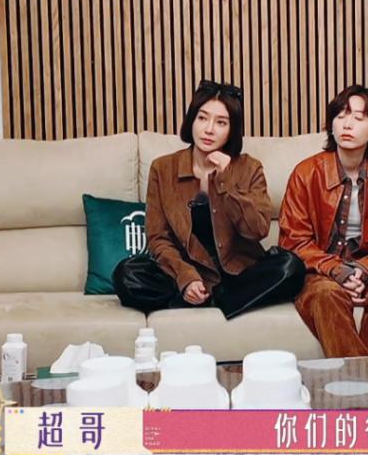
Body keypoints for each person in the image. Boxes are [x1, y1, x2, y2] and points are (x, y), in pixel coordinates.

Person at [113, 80, 305, 318]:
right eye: (202, 118)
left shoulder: (249, 167)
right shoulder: (163, 169)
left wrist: (225, 181)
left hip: (239, 274)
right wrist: (185, 278)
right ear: (192, 120)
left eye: (221, 122)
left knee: (291, 267)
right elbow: (158, 238)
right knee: (126, 274)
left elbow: (258, 230)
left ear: (232, 129)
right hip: (188, 272)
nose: (209, 129)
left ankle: (213, 299)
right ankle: (209, 297)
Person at [280, 85, 368, 358]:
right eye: (341, 116)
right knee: (326, 295)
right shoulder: (306, 173)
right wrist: (336, 270)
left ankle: (361, 380)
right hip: (320, 271)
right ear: (331, 125)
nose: (347, 124)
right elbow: (293, 240)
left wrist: (364, 269)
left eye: (358, 117)